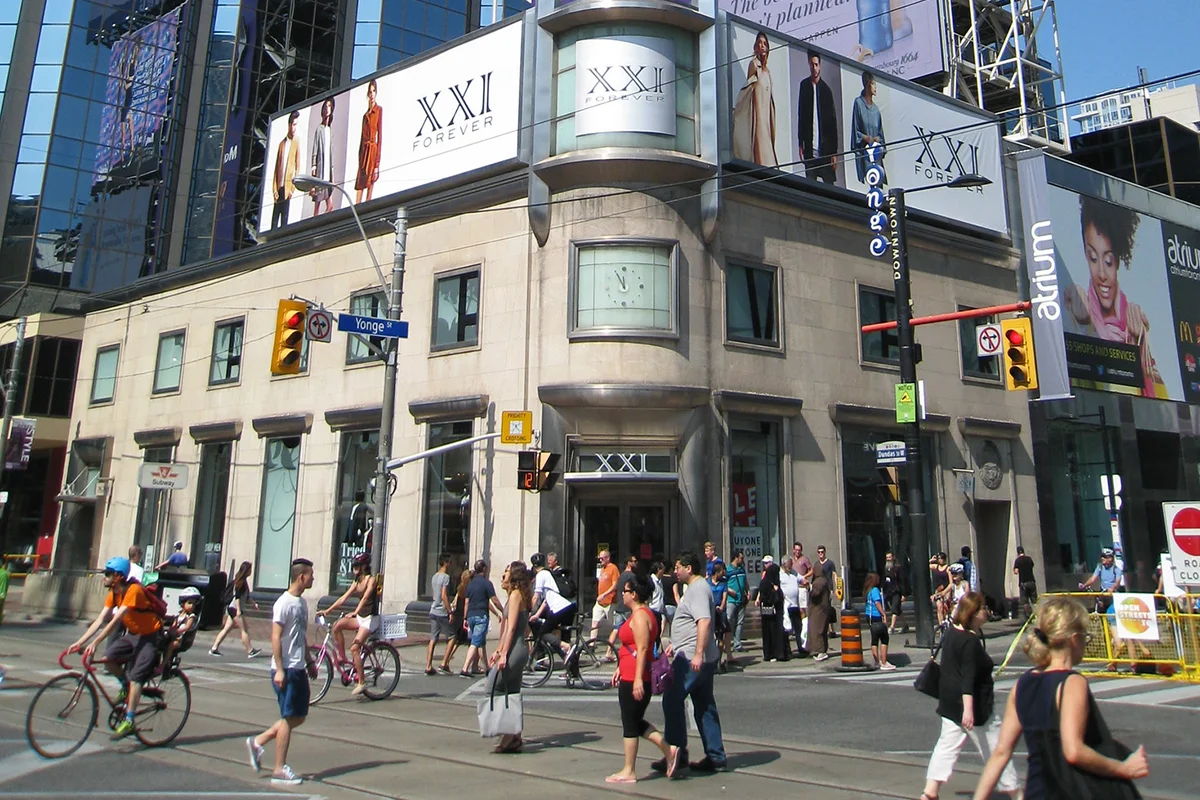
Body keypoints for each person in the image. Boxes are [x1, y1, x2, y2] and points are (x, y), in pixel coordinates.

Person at [972, 596, 1150, 800]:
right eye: (1085, 637)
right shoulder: (1071, 683)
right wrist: (1123, 768)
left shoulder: (1022, 685)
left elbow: (1001, 753)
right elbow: (1073, 750)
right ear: (1074, 639)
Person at [1063, 195, 1165, 398]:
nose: (1101, 273)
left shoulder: (1136, 324)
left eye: (1108, 261)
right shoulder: (1076, 310)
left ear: (1119, 261)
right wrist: (1081, 324)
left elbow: (1167, 406)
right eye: (1093, 258)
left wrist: (1141, 352)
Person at [921, 592, 1020, 800]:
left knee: (946, 746)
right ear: (973, 613)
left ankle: (930, 791)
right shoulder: (969, 642)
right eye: (984, 609)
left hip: (949, 701)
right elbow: (967, 678)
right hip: (976, 707)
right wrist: (968, 709)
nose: (988, 613)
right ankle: (1016, 793)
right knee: (997, 749)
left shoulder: (951, 633)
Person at [67, 556, 163, 739]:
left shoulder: (133, 590)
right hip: (134, 634)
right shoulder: (113, 594)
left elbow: (116, 620)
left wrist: (95, 642)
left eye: (108, 574)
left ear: (118, 576)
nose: (104, 576)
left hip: (150, 635)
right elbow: (100, 620)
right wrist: (80, 642)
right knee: (108, 658)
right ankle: (125, 686)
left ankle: (129, 720)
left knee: (136, 677)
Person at [246, 558, 315, 786]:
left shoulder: (302, 603)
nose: (313, 579)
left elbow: (299, 635)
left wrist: (309, 660)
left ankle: (258, 741)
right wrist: (279, 669)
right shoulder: (283, 603)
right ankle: (279, 768)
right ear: (301, 577)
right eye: (311, 575)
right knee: (288, 718)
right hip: (286, 668)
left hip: (298, 666)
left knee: (299, 716)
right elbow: (275, 636)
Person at [657, 550, 727, 776]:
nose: (674, 571)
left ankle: (676, 752)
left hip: (691, 659)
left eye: (678, 567)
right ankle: (716, 756)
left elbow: (704, 621)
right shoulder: (696, 589)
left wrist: (697, 653)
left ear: (689, 568)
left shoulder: (697, 589)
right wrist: (674, 644)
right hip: (696, 656)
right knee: (704, 705)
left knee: (672, 698)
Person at [607, 572, 680, 783]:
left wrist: (638, 678)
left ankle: (629, 770)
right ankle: (668, 749)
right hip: (629, 673)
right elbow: (632, 648)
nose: (623, 594)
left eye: (626, 591)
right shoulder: (640, 614)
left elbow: (642, 647)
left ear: (635, 594)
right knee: (634, 721)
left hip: (635, 677)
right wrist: (621, 668)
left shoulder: (640, 616)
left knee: (630, 723)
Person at [317, 552, 379, 695]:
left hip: (370, 619)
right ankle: (342, 657)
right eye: (354, 565)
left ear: (364, 566)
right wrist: (327, 610)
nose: (354, 568)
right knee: (337, 625)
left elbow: (365, 598)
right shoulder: (356, 581)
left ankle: (362, 682)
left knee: (355, 649)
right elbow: (343, 598)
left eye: (357, 565)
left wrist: (355, 612)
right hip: (360, 617)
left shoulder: (371, 580)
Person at [484, 561, 531, 753]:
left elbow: (511, 628)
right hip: (517, 648)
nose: (503, 576)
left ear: (514, 576)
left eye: (506, 572)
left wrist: (503, 653)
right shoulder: (518, 595)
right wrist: (498, 649)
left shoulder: (515, 596)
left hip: (515, 649)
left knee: (492, 686)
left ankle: (509, 734)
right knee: (511, 691)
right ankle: (515, 737)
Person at [731, 31, 778, 167]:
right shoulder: (754, 65)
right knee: (761, 155)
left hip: (766, 121)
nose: (762, 46)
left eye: (764, 44)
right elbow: (748, 90)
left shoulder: (767, 72)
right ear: (755, 47)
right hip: (757, 120)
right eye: (759, 43)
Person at [797, 50, 839, 184]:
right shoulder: (804, 86)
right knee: (810, 185)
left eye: (816, 65)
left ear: (820, 65)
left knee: (829, 186)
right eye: (811, 64)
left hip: (825, 149)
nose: (814, 68)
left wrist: (834, 152)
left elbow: (832, 123)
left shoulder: (826, 90)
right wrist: (800, 143)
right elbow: (801, 116)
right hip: (810, 147)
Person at [461, 559, 504, 677]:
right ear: (484, 569)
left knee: (481, 642)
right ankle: (465, 668)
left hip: (471, 616)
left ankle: (485, 667)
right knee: (475, 642)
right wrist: (503, 611)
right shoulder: (486, 583)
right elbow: (494, 600)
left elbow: (466, 602)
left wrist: (465, 617)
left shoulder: (470, 584)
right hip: (481, 616)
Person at [529, 552, 576, 659]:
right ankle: (567, 659)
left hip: (559, 608)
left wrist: (528, 611)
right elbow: (546, 601)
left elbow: (536, 597)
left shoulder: (541, 575)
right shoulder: (549, 573)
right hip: (567, 606)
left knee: (542, 633)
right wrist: (536, 615)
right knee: (555, 632)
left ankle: (566, 646)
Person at [212, 561, 262, 658]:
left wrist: (254, 603)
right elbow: (237, 597)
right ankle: (250, 651)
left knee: (226, 629)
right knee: (244, 630)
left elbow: (246, 597)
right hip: (235, 609)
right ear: (246, 571)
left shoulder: (242, 581)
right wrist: (239, 611)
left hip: (232, 608)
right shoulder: (241, 582)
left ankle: (214, 648)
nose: (251, 571)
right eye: (250, 569)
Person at [850, 70, 885, 183]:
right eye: (873, 84)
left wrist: (877, 139)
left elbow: (881, 136)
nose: (875, 87)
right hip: (864, 155)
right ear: (867, 84)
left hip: (876, 156)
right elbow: (855, 131)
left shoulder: (876, 110)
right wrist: (866, 138)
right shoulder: (858, 103)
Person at [426, 553, 455, 675]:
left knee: (433, 638)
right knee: (452, 637)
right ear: (446, 563)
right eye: (450, 562)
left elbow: (435, 595)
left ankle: (428, 665)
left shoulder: (434, 576)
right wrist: (450, 611)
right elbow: (443, 595)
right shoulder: (446, 577)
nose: (450, 564)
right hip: (442, 611)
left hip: (433, 609)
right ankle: (444, 663)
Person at [271, 110, 301, 229]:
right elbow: (276, 169)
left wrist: (292, 189)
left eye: (296, 125)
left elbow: (298, 168)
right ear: (289, 125)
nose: (294, 128)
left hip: (288, 189)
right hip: (279, 188)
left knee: (284, 221)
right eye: (293, 124)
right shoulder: (281, 144)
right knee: (274, 220)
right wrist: (274, 189)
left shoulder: (297, 143)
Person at [355, 80, 382, 204]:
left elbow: (380, 137)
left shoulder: (379, 110)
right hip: (364, 153)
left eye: (373, 91)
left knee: (370, 184)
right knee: (360, 184)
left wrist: (377, 164)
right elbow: (361, 138)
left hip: (372, 151)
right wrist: (360, 158)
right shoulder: (364, 115)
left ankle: (366, 209)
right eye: (370, 92)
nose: (372, 94)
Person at [163, 586, 201, 674]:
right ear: (182, 604)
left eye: (194, 604)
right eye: (190, 603)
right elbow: (174, 625)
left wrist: (177, 632)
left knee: (170, 646)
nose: (192, 606)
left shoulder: (191, 616)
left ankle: (163, 665)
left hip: (180, 639)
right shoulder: (179, 615)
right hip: (174, 636)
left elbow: (187, 627)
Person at [863, 572, 894, 670]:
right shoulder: (875, 590)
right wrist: (883, 614)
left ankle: (877, 662)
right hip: (877, 616)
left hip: (870, 616)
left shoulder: (867, 591)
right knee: (884, 638)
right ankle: (884, 662)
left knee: (874, 640)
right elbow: (877, 603)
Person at [758, 562, 788, 663]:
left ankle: (773, 653)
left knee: (772, 633)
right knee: (772, 633)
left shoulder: (769, 582)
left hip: (772, 613)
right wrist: (775, 592)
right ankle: (773, 653)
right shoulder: (767, 583)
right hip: (771, 613)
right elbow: (767, 597)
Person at [309, 97, 335, 216]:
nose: (327, 109)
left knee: (330, 205)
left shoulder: (330, 130)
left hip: (327, 172)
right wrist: (313, 168)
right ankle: (315, 222)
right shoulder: (319, 129)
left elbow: (331, 153)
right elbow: (315, 149)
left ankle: (320, 222)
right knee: (318, 204)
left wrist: (332, 175)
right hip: (320, 169)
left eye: (329, 106)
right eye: (326, 106)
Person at [1079, 547, 1123, 613]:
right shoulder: (1100, 567)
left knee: (1112, 613)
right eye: (1102, 556)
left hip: (1112, 594)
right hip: (1103, 593)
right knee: (1100, 611)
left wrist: (1112, 589)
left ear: (1110, 558)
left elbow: (1117, 582)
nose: (1102, 558)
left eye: (1104, 556)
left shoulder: (1116, 569)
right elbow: (1092, 579)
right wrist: (1084, 585)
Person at [589, 549, 620, 639]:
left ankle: (622, 642)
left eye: (602, 559)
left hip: (610, 602)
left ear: (608, 558)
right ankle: (591, 644)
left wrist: (604, 595)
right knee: (594, 622)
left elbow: (615, 585)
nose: (600, 560)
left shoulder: (613, 568)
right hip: (600, 603)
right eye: (599, 558)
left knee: (615, 625)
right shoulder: (602, 569)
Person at [706, 560, 730, 671]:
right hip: (710, 613)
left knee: (720, 640)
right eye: (722, 571)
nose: (723, 573)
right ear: (717, 572)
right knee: (710, 638)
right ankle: (710, 661)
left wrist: (721, 607)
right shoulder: (707, 583)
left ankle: (718, 661)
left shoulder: (723, 583)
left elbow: (725, 597)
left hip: (720, 613)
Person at [725, 550, 749, 653]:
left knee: (740, 622)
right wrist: (730, 591)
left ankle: (737, 644)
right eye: (741, 558)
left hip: (741, 599)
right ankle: (726, 644)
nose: (742, 560)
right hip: (731, 599)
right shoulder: (728, 570)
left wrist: (748, 591)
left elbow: (745, 581)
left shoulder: (742, 569)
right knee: (729, 620)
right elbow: (723, 584)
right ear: (736, 558)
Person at [779, 557, 805, 656]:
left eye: (791, 565)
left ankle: (801, 648)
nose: (790, 567)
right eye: (788, 565)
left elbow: (801, 578)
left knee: (798, 628)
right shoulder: (780, 574)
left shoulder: (794, 573)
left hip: (795, 605)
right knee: (786, 629)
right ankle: (787, 650)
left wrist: (804, 581)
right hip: (786, 605)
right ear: (784, 565)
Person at [807, 569, 832, 661]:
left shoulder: (819, 582)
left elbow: (815, 593)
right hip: (823, 610)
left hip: (818, 610)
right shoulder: (825, 580)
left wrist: (809, 587)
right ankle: (823, 650)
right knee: (822, 630)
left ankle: (821, 651)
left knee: (817, 630)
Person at [883, 551, 907, 634]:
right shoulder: (886, 568)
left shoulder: (898, 568)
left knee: (894, 609)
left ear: (893, 557)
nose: (888, 559)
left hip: (897, 591)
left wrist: (903, 594)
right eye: (887, 558)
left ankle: (892, 627)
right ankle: (905, 625)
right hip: (889, 592)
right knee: (898, 610)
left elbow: (902, 581)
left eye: (889, 557)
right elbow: (885, 580)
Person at [1013, 546, 1038, 618]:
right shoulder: (1029, 559)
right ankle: (1037, 615)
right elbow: (1032, 566)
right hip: (1032, 581)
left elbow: (1016, 571)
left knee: (1025, 601)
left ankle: (1028, 616)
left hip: (1023, 583)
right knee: (1034, 601)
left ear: (1018, 552)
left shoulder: (1018, 560)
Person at [930, 553, 952, 625]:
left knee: (945, 607)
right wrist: (931, 560)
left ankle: (947, 622)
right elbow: (924, 566)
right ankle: (941, 625)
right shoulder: (936, 567)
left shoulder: (947, 568)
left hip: (946, 590)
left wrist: (946, 592)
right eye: (939, 558)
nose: (941, 560)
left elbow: (951, 583)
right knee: (939, 607)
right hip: (938, 590)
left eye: (942, 558)